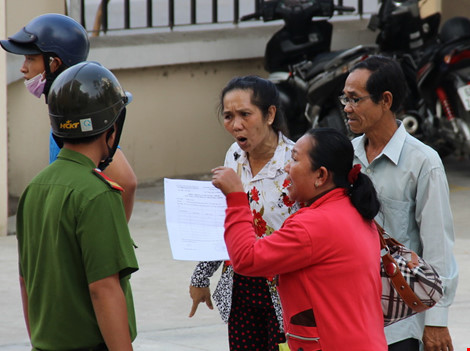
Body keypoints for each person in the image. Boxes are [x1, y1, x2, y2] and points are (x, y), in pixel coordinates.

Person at [211, 127, 387, 351]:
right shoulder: (353, 210)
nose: (286, 167)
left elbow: (246, 258)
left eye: (294, 160)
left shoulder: (312, 225)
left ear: (321, 176)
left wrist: (237, 198)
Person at [16, 61, 138, 351]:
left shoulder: (34, 189)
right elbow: (103, 288)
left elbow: (26, 281)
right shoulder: (98, 193)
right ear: (112, 128)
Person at [342, 55, 459, 351]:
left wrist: (436, 320)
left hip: (400, 323)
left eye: (355, 99)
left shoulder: (423, 162)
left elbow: (437, 246)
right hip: (348, 314)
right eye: (344, 98)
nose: (346, 108)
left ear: (385, 100)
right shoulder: (343, 156)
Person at [189, 76, 299, 350]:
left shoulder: (297, 161)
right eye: (228, 116)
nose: (236, 125)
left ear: (270, 114)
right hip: (241, 288)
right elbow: (224, 221)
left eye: (245, 114)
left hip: (286, 291)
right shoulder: (234, 156)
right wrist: (201, 276)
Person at [0, 13, 137, 221]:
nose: (23, 67)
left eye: (30, 58)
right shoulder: (64, 112)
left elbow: (126, 182)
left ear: (54, 63)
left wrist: (116, 238)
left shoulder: (76, 120)